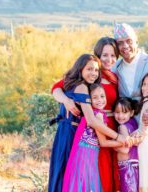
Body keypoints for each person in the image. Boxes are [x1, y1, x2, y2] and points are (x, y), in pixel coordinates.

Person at [51, 37, 121, 191]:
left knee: (88, 175)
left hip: (100, 129)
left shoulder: (113, 77)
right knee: (75, 174)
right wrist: (65, 101)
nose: (109, 59)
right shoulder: (84, 78)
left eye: (113, 55)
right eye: (105, 55)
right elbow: (56, 88)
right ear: (97, 55)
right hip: (82, 130)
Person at [62, 84, 124, 192]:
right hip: (87, 154)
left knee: (82, 183)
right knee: (87, 184)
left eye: (102, 96)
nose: (100, 100)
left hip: (85, 152)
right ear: (89, 100)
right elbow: (103, 142)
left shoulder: (96, 113)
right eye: (95, 98)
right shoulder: (97, 116)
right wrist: (125, 142)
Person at [113, 97, 139, 192]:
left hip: (127, 168)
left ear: (131, 113)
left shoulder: (122, 127)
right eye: (117, 112)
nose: (120, 116)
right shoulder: (134, 123)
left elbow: (125, 149)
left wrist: (112, 145)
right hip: (134, 165)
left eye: (124, 112)